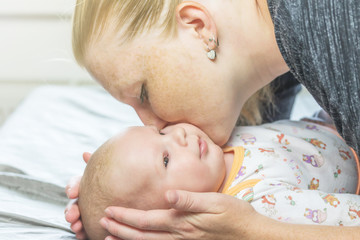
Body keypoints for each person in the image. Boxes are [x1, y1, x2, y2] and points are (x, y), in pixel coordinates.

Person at [66, 0, 360, 239]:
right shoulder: (287, 44)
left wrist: (253, 231)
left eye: (144, 94)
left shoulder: (342, 34)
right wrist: (116, 186)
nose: (152, 126)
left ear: (198, 26)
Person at [79, 121, 360, 240]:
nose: (178, 135)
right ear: (170, 220)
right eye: (166, 159)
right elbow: (345, 217)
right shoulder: (255, 206)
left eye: (160, 131)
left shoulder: (215, 137)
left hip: (340, 123)